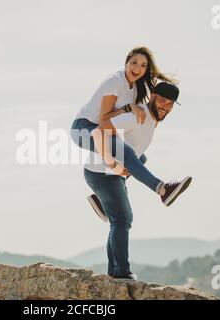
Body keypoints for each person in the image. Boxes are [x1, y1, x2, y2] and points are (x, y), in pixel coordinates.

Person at [84, 82, 192, 280]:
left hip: (109, 174)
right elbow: (99, 130)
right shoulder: (136, 116)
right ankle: (122, 273)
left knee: (140, 159)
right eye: (162, 100)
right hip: (101, 172)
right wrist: (109, 162)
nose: (165, 107)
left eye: (170, 104)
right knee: (122, 220)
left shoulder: (151, 119)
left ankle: (114, 271)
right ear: (152, 97)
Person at [70, 46, 187, 208]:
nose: (137, 68)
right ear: (126, 63)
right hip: (83, 129)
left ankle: (102, 199)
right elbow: (103, 119)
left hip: (102, 131)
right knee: (126, 152)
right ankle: (162, 190)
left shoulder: (136, 87)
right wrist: (128, 108)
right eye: (134, 63)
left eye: (143, 65)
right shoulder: (115, 82)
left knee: (140, 157)